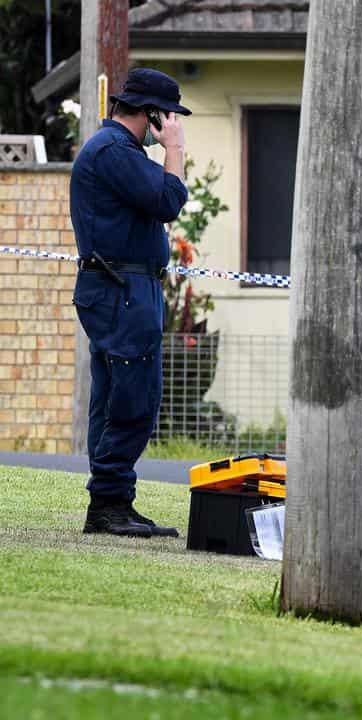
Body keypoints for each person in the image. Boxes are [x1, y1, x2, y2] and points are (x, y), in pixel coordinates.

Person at [70, 68, 190, 537]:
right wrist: (175, 150)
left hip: (118, 288)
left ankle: (113, 499)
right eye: (170, 117)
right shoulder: (116, 152)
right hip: (123, 291)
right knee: (133, 396)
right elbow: (168, 199)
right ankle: (108, 504)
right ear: (153, 114)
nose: (173, 126)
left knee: (115, 394)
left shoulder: (113, 151)